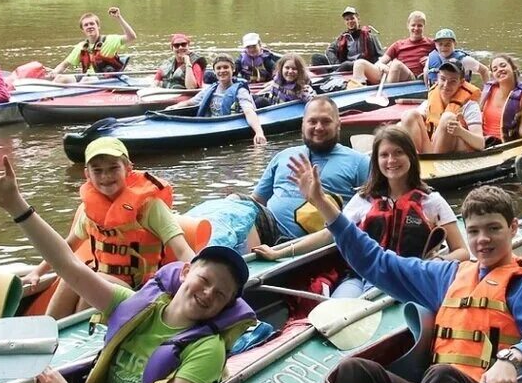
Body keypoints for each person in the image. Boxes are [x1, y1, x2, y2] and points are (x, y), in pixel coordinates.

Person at [0, 156, 255, 383]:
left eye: (220, 294)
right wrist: (16, 205)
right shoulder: (137, 305)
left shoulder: (207, 348)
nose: (207, 294)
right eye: (205, 281)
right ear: (187, 271)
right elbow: (68, 266)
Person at [289, 161, 522, 383]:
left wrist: (512, 358)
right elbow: (378, 262)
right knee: (352, 371)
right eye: (475, 230)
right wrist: (323, 206)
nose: (483, 240)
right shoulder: (449, 275)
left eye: (494, 229)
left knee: (442, 373)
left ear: (513, 228)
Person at [253, 126, 470, 296]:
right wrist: (279, 252)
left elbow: (461, 251)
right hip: (361, 276)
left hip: (410, 277)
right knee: (338, 313)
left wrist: (431, 266)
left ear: (411, 157)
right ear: (376, 161)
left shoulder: (432, 201)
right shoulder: (363, 199)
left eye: (398, 153)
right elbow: (329, 234)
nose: (391, 160)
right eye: (384, 155)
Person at [23, 137, 196, 319]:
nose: (106, 176)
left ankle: (81, 337)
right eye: (97, 171)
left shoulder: (149, 207)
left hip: (139, 290)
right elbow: (66, 248)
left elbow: (182, 249)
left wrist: (198, 278)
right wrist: (37, 272)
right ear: (87, 175)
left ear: (128, 168)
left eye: (113, 168)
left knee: (88, 280)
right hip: (102, 282)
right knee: (71, 276)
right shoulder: (88, 210)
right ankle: (52, 328)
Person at [251, 97, 369, 240]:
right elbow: (256, 200)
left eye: (326, 121)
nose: (318, 127)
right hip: (268, 229)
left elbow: (373, 212)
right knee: (237, 203)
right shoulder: (283, 156)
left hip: (316, 244)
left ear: (338, 124)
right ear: (303, 125)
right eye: (312, 121)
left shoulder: (360, 162)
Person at [168, 55, 267, 145]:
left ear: (233, 69)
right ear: (214, 72)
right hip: (208, 125)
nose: (222, 71)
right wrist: (176, 106)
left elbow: (249, 111)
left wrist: (259, 132)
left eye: (226, 67)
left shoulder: (240, 91)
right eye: (218, 68)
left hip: (226, 127)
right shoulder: (211, 88)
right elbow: (192, 102)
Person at [399, 60, 485, 154]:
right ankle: (416, 160)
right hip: (431, 151)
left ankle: (435, 162)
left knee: (448, 117)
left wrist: (460, 131)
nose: (446, 85)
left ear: (461, 82)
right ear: (437, 79)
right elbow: (409, 121)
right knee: (409, 115)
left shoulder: (470, 106)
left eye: (453, 81)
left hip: (451, 155)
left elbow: (480, 144)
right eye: (443, 79)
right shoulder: (430, 101)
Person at [49, 7, 136, 80]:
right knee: (60, 79)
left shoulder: (110, 40)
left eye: (92, 24)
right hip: (86, 79)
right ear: (83, 30)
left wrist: (118, 17)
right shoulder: (81, 46)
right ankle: (47, 97)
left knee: (87, 79)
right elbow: (64, 65)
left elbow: (131, 37)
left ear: (98, 26)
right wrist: (55, 72)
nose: (89, 26)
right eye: (86, 25)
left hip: (105, 80)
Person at [351, 11, 434, 85]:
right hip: (392, 74)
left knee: (396, 64)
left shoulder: (431, 43)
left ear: (424, 27)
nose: (416, 28)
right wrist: (381, 65)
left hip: (412, 79)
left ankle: (387, 93)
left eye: (419, 26)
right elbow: (380, 62)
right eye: (413, 25)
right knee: (359, 63)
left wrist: (432, 59)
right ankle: (356, 92)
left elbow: (445, 58)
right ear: (408, 26)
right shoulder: (398, 44)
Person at [480, 54, 522, 145]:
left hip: (505, 145)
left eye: (503, 66)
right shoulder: (489, 90)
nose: (499, 70)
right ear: (493, 75)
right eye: (495, 69)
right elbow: (478, 114)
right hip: (482, 140)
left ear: (513, 68)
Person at [320, 6, 382, 71]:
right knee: (317, 57)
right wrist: (336, 63)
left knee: (346, 64)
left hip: (362, 67)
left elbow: (380, 55)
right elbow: (329, 50)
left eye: (352, 18)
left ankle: (336, 73)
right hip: (344, 67)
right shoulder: (343, 37)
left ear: (358, 19)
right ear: (345, 22)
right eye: (347, 19)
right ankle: (331, 75)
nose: (350, 21)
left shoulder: (370, 37)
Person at [423, 28, 490, 87]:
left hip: (460, 97)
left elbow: (484, 71)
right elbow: (426, 74)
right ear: (435, 45)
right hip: (437, 96)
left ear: (455, 44)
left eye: (448, 44)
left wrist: (486, 90)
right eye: (440, 44)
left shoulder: (465, 60)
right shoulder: (430, 58)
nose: (444, 48)